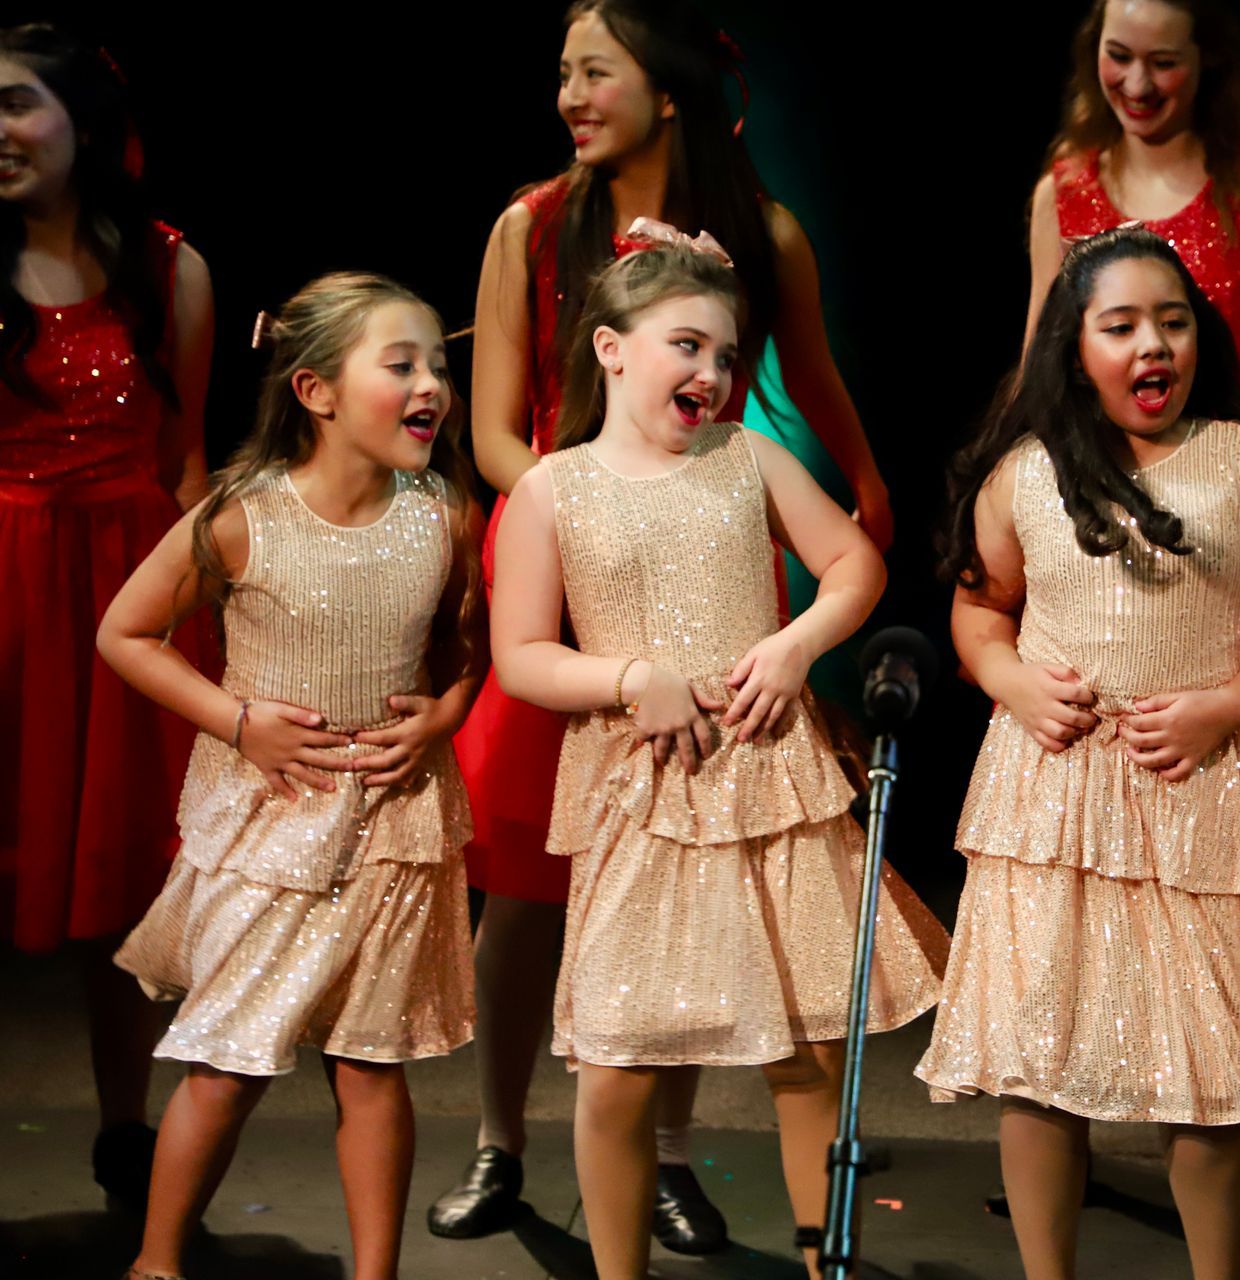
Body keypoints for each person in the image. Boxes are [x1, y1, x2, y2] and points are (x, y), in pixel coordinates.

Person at [433, 0, 896, 1251]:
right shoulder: (531, 231)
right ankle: (501, 1137)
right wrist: (579, 506)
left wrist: (809, 614)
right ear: (621, 345)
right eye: (564, 70)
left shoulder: (750, 338)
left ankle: (719, 1182)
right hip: (587, 584)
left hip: (721, 639)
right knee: (539, 894)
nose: (572, 93)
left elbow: (828, 452)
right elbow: (495, 440)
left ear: (670, 88)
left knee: (783, 1008)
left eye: (597, 70)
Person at [488, 227, 946, 1280]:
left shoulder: (745, 455)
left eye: (728, 355)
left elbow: (853, 563)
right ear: (610, 348)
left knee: (806, 1051)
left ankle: (822, 1260)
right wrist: (626, 677)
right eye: (687, 345)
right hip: (637, 792)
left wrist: (793, 646)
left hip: (767, 776)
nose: (711, 372)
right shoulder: (555, 487)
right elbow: (520, 654)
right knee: (614, 1065)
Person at [918, 225, 1240, 1280]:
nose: (1153, 345)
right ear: (1074, 348)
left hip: (1195, 786)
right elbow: (979, 616)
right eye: (1121, 326)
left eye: (1173, 321)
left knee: (1205, 1068)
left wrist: (1225, 704)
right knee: (1040, 1062)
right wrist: (1014, 681)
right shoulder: (1025, 473)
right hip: (1052, 791)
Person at [1025, 4, 1240, 1229]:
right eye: (1117, 54)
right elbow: (1040, 357)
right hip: (1112, 523)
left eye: (1163, 56)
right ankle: (1083, 1104)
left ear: (1209, 55)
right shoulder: (1065, 186)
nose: (1138, 79)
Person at [99, 273, 483, 1280]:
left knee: (370, 1061)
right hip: (272, 823)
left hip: (394, 823)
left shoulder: (443, 513)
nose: (431, 384)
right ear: (315, 391)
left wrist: (442, 717)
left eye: (437, 364)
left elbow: (465, 654)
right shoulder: (244, 514)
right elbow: (127, 632)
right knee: (226, 1064)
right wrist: (238, 721)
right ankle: (156, 1260)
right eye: (400, 364)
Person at [0, 21, 214, 1205]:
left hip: (123, 589)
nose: (0, 133)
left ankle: (127, 1132)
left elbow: (186, 470)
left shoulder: (169, 269)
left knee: (119, 880)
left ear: (83, 121)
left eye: (18, 104)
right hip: (4, 582)